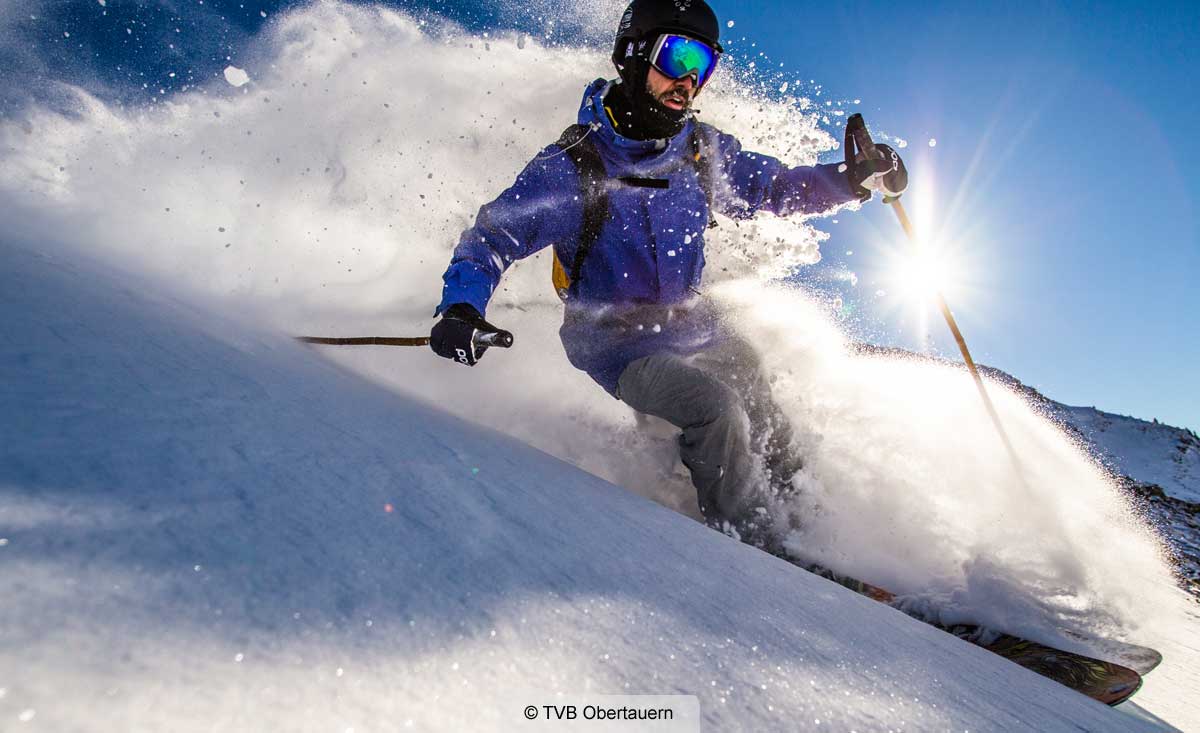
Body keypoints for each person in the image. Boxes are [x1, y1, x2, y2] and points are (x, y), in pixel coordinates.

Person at [430, 0, 907, 551]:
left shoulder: (700, 152)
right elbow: (494, 238)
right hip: (617, 346)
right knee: (715, 408)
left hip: (688, 323)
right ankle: (764, 551)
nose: (688, 80)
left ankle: (807, 522)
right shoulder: (575, 167)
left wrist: (852, 179)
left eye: (702, 65)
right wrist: (462, 309)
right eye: (676, 55)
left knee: (751, 375)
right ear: (633, 55)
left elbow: (772, 187)